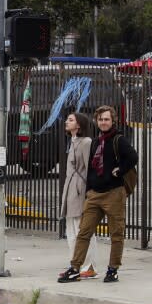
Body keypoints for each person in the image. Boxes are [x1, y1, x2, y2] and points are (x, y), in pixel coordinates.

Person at [58, 105, 138, 283]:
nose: (103, 122)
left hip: (114, 193)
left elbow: (133, 157)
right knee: (84, 232)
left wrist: (120, 170)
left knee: (116, 234)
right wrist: (89, 191)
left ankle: (113, 269)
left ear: (113, 121)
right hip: (94, 194)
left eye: (106, 119)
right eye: (100, 119)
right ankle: (75, 268)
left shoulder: (119, 140)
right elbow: (90, 169)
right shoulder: (95, 141)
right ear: (97, 121)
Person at [59, 112, 98, 278]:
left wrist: (88, 191)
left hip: (80, 190)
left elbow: (90, 168)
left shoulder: (86, 142)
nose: (67, 122)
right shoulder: (73, 141)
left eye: (71, 120)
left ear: (79, 124)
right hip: (71, 189)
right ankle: (75, 265)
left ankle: (88, 266)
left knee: (83, 228)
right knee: (72, 229)